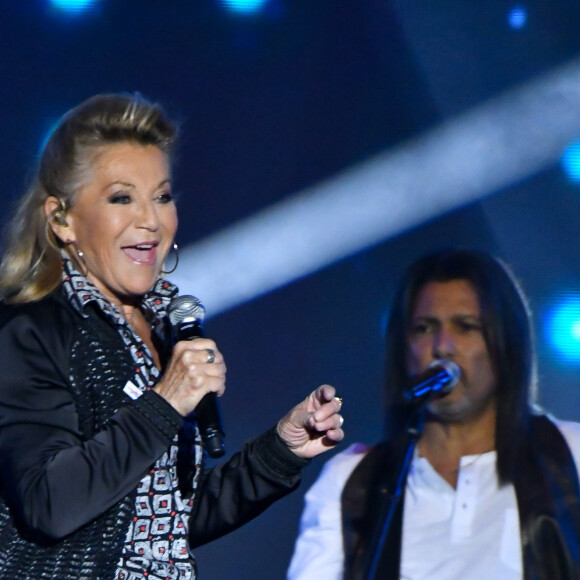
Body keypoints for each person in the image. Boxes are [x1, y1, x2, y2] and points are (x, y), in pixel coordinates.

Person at [0, 93, 344, 580]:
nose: (151, 220)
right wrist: (166, 402)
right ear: (62, 219)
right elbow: (50, 503)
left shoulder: (161, 329)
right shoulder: (32, 329)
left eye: (161, 196)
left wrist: (278, 452)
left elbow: (161, 521)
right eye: (122, 197)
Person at [287, 248, 580, 580]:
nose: (442, 346)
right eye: (425, 329)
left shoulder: (570, 454)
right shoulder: (353, 483)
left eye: (466, 327)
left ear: (505, 343)